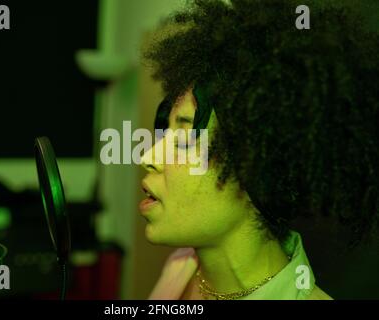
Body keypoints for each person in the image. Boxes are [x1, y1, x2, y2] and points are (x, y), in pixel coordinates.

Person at [138, 0, 378, 300]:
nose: (148, 157)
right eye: (163, 133)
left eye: (185, 136)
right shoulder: (180, 269)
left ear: (256, 166)